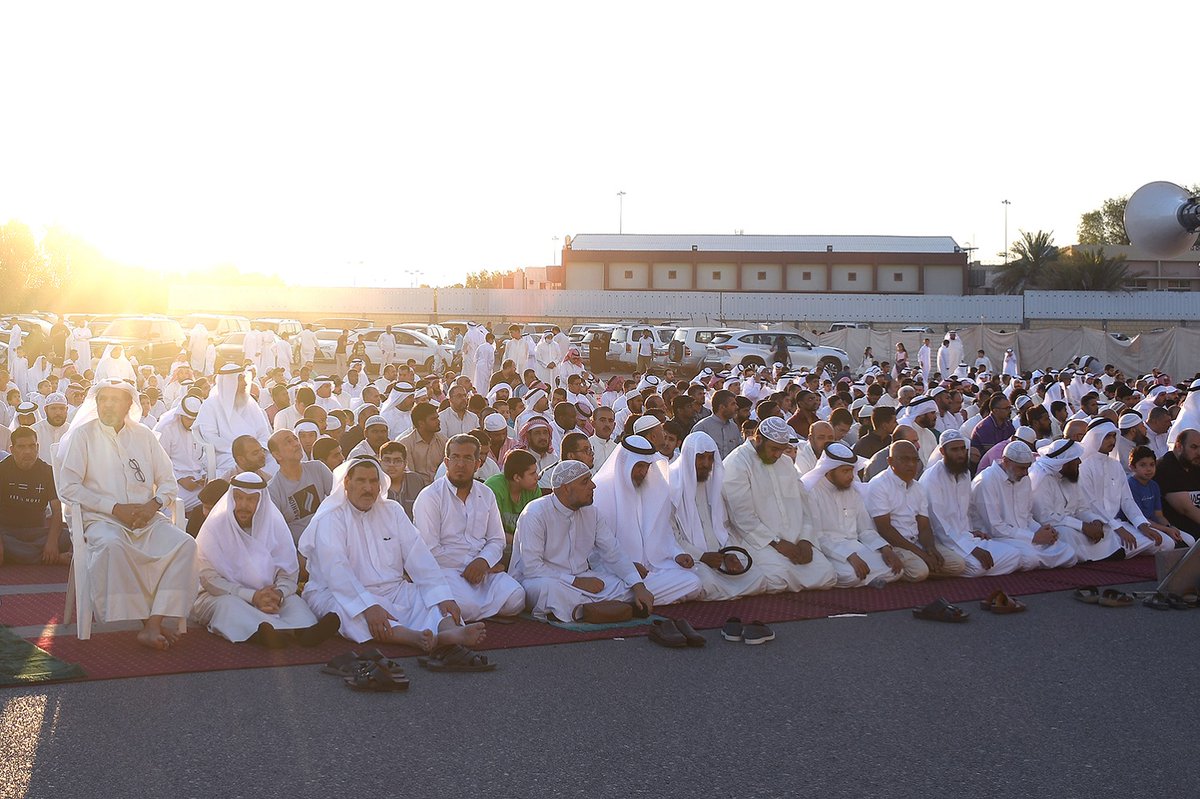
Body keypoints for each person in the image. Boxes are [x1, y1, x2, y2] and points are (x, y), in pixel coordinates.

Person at [56, 379, 198, 651]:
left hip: (147, 520)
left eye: (114, 399)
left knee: (185, 545)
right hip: (102, 520)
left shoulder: (144, 435)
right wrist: (113, 508)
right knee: (113, 545)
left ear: (128, 405)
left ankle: (154, 622)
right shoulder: (83, 436)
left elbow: (168, 480)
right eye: (102, 399)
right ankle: (148, 624)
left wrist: (153, 505)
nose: (107, 404)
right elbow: (69, 487)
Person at [298, 455, 485, 650]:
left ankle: (448, 631)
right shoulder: (331, 518)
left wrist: (442, 595)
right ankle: (412, 638)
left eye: (373, 481)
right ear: (347, 482)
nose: (368, 488)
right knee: (343, 613)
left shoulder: (392, 511)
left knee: (430, 596)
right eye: (361, 480)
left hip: (393, 589)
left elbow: (418, 556)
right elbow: (337, 572)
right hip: (337, 592)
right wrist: (368, 606)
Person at [193, 472, 338, 647]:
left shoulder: (275, 526)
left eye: (251, 500)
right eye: (239, 498)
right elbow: (209, 580)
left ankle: (306, 631)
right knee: (229, 607)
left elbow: (288, 574)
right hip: (223, 594)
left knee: (295, 603)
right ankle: (261, 635)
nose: (243, 505)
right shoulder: (214, 528)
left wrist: (278, 594)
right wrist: (252, 596)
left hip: (269, 592)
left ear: (261, 502)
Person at [510, 460, 655, 622]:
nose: (593, 486)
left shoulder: (592, 513)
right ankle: (602, 607)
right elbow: (532, 568)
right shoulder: (535, 513)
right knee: (549, 591)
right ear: (566, 488)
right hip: (541, 580)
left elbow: (613, 552)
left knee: (627, 584)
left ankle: (581, 609)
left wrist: (638, 587)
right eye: (585, 482)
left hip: (582, 578)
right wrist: (576, 582)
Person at [411, 435, 525, 621]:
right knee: (466, 605)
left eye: (467, 458)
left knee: (517, 598)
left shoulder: (485, 494)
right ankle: (480, 612)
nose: (460, 464)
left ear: (478, 463)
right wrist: (471, 564)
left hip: (482, 571)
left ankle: (466, 614)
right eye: (455, 457)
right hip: (447, 570)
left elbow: (496, 540)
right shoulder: (430, 496)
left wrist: (483, 562)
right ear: (446, 462)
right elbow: (430, 550)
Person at [721, 417, 837, 593]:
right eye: (774, 449)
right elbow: (742, 517)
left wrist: (805, 540)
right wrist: (776, 543)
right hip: (758, 540)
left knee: (827, 575)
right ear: (758, 439)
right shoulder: (737, 463)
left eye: (781, 450)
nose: (777, 455)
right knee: (777, 578)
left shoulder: (785, 462)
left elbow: (804, 504)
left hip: (795, 539)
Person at [593, 435, 703, 606]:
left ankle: (636, 601)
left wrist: (676, 554)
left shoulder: (651, 488)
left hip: (651, 569)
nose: (643, 473)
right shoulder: (601, 491)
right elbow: (596, 551)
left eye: (647, 467)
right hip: (616, 572)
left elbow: (663, 532)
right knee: (610, 586)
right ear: (625, 463)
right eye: (639, 467)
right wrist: (628, 567)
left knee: (693, 581)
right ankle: (639, 598)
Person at [919, 430, 1024, 576]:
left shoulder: (965, 473)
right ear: (943, 451)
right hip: (944, 541)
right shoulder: (932, 478)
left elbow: (966, 511)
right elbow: (939, 525)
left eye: (963, 449)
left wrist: (972, 531)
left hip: (966, 537)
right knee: (976, 566)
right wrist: (971, 549)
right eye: (954, 450)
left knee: (1015, 555)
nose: (961, 454)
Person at [803, 443, 904, 587]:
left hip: (856, 546)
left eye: (852, 470)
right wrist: (848, 556)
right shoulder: (813, 492)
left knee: (895, 569)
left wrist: (885, 548)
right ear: (829, 470)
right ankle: (869, 579)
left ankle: (868, 579)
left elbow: (865, 529)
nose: (851, 476)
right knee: (850, 575)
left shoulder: (853, 490)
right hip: (830, 551)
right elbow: (818, 536)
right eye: (845, 471)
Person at [969, 441, 1078, 570]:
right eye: (1022, 468)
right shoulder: (986, 481)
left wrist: (1042, 531)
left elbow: (1026, 517)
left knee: (1069, 553)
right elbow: (995, 528)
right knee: (1029, 558)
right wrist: (1033, 537)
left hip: (1022, 536)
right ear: (1006, 461)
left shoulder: (1024, 479)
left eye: (1027, 467)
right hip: (997, 538)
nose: (1026, 473)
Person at [865, 440, 965, 581]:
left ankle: (927, 568)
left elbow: (924, 525)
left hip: (917, 542)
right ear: (890, 461)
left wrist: (930, 549)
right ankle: (924, 569)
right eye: (905, 459)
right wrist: (922, 555)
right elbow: (885, 529)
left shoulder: (917, 487)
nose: (911, 464)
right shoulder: (879, 485)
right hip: (894, 545)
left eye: (915, 460)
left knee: (958, 565)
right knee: (919, 572)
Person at [1076, 418, 1172, 557]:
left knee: (1166, 543)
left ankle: (1117, 552)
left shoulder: (1115, 465)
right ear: (1095, 437)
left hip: (1118, 525)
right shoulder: (1083, 467)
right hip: (1096, 525)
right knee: (1109, 544)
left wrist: (1142, 525)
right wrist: (1117, 528)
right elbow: (1091, 504)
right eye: (1107, 436)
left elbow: (1127, 500)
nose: (1112, 441)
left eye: (1114, 436)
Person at [0, 426, 69, 565]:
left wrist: (51, 542)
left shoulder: (47, 472)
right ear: (12, 450)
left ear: (37, 447)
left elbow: (57, 512)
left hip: (36, 532)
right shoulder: (2, 470)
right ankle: (51, 559)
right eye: (21, 447)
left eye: (32, 446)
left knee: (66, 537)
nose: (28, 451)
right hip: (6, 532)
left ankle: (16, 556)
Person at [195, 363, 272, 476]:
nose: (245, 383)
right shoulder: (210, 405)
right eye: (240, 380)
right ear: (229, 383)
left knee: (277, 462)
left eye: (244, 379)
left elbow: (263, 432)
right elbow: (210, 437)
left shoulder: (250, 402)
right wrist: (240, 451)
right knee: (238, 466)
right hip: (226, 454)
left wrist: (259, 449)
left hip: (257, 451)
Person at [266, 429, 333, 544]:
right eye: (288, 442)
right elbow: (276, 533)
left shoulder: (317, 468)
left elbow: (339, 498)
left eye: (295, 439)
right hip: (299, 549)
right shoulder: (272, 490)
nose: (296, 444)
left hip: (329, 536)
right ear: (277, 455)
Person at [1126, 445, 1190, 547]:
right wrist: (1166, 530)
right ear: (1132, 467)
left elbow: (1158, 515)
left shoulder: (1154, 485)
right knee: (1168, 544)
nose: (1148, 469)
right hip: (1137, 525)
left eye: (1152, 465)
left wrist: (1169, 527)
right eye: (1143, 465)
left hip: (1153, 524)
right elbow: (1138, 517)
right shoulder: (1130, 485)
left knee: (1190, 541)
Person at [396, 402, 448, 483]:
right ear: (421, 423)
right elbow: (410, 475)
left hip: (440, 487)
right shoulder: (406, 444)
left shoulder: (443, 441)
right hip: (416, 488)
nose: (438, 421)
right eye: (433, 419)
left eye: (437, 418)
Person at [379, 440, 429, 519]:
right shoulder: (375, 484)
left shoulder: (415, 480)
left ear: (405, 464)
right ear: (380, 463)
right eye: (387, 460)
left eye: (397, 461)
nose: (392, 465)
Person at [30, 391, 70, 464]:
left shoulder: (72, 431)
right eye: (53, 408)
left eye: (62, 408)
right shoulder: (34, 431)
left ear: (66, 410)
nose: (58, 413)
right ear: (45, 410)